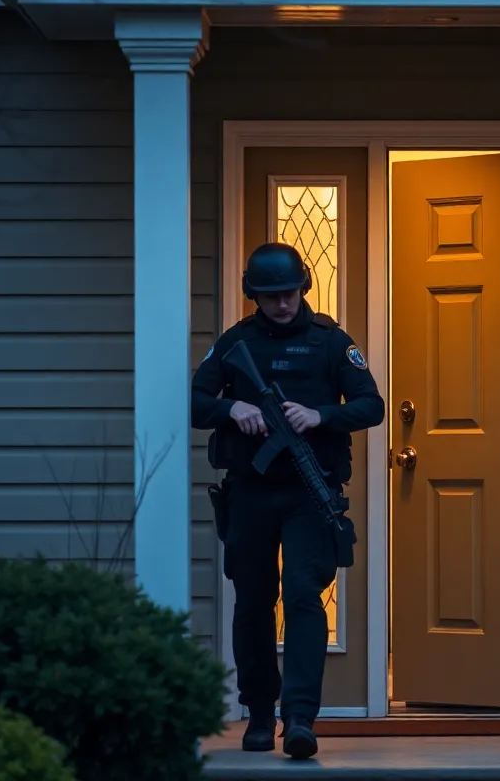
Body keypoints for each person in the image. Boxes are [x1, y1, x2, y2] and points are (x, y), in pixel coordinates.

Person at [191, 242, 385, 759]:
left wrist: (319, 416)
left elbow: (372, 405)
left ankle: (299, 718)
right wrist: (233, 408)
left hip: (309, 493)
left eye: (290, 293)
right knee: (254, 602)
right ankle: (258, 713)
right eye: (271, 295)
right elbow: (195, 401)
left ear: (304, 287)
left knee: (303, 598)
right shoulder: (238, 342)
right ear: (254, 295)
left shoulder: (330, 342)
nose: (282, 304)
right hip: (250, 493)